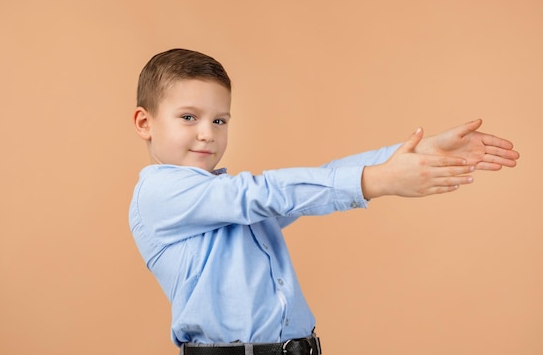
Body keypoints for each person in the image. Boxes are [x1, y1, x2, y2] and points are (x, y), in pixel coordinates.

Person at [129, 48, 519, 355]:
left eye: (219, 120)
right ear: (145, 123)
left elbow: (304, 188)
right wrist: (376, 180)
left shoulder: (229, 201)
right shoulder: (161, 193)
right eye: (188, 117)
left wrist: (414, 153)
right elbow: (263, 193)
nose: (207, 134)